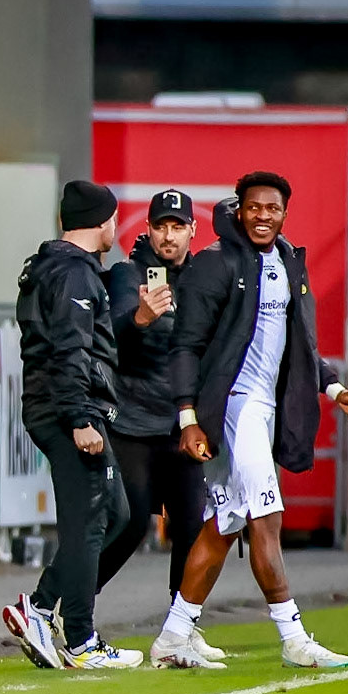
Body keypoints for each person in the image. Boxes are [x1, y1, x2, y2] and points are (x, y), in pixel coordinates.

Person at [151, 173, 348, 671]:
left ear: (284, 213)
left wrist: (335, 389)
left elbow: (300, 346)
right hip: (233, 408)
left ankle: (172, 636)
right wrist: (188, 417)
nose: (263, 216)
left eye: (272, 208)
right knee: (266, 519)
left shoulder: (290, 263)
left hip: (263, 411)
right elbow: (184, 345)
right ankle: (294, 637)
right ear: (239, 209)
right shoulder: (214, 264)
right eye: (254, 208)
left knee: (224, 526)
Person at [0, 180, 140, 671]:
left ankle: (38, 608)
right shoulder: (75, 276)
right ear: (102, 221)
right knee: (91, 522)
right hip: (68, 410)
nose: (115, 229)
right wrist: (81, 416)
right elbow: (70, 350)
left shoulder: (55, 266)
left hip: (62, 406)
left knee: (118, 514)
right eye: (113, 219)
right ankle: (80, 640)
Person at [98, 189, 217, 656]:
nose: (167, 235)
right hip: (132, 421)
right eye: (160, 226)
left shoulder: (204, 278)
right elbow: (113, 334)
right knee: (129, 524)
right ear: (147, 229)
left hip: (182, 423)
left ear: (192, 230)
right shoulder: (128, 274)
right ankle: (72, 608)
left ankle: (180, 628)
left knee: (191, 524)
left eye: (176, 226)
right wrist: (141, 318)